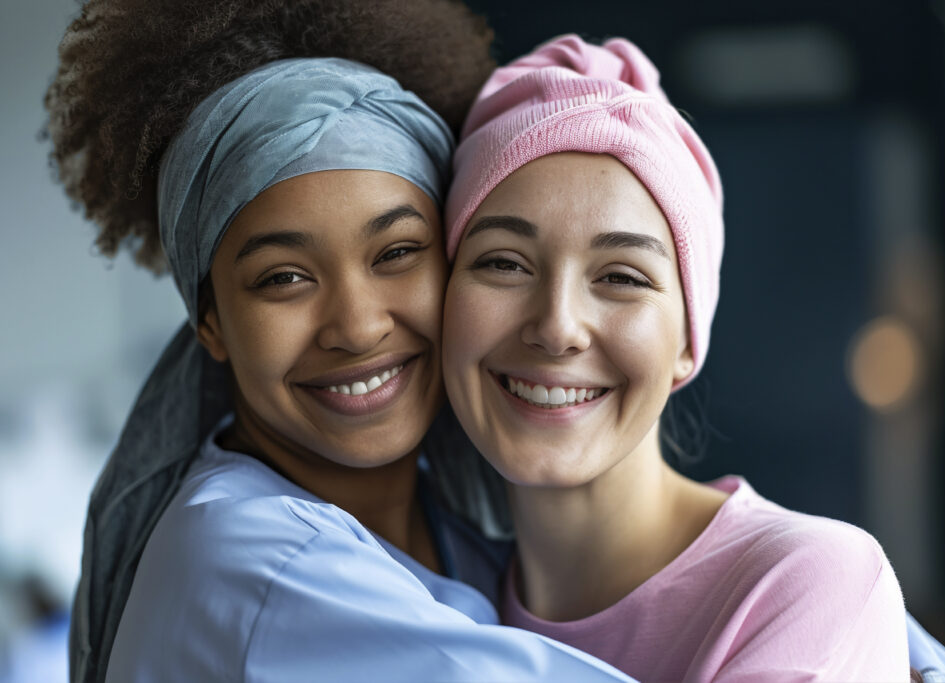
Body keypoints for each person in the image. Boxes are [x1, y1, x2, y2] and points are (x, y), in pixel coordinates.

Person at [45, 3, 633, 681]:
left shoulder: (461, 522)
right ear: (211, 322)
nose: (357, 326)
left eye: (397, 252)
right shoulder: (259, 566)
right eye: (284, 277)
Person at [442, 34, 915, 681]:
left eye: (621, 277)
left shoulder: (803, 582)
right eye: (503, 262)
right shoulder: (427, 594)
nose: (557, 326)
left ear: (689, 338)